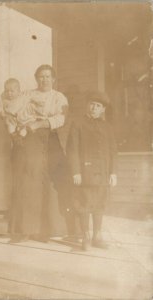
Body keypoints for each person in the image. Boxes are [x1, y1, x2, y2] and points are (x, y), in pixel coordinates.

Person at [9, 64, 69, 242]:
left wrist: (38, 123)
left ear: (54, 79)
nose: (44, 80)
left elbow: (61, 118)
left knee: (51, 180)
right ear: (36, 79)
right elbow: (11, 111)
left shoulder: (59, 97)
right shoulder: (27, 95)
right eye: (41, 77)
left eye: (48, 76)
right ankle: (29, 229)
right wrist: (17, 128)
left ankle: (52, 229)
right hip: (31, 140)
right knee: (31, 181)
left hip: (51, 138)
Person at [66, 91, 117, 250]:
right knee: (85, 203)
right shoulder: (78, 124)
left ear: (103, 110)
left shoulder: (107, 127)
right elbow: (72, 150)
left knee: (100, 203)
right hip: (85, 173)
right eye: (92, 104)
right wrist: (76, 171)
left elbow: (112, 151)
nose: (94, 108)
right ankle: (85, 236)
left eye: (98, 106)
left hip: (102, 173)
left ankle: (97, 235)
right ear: (87, 106)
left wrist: (113, 172)